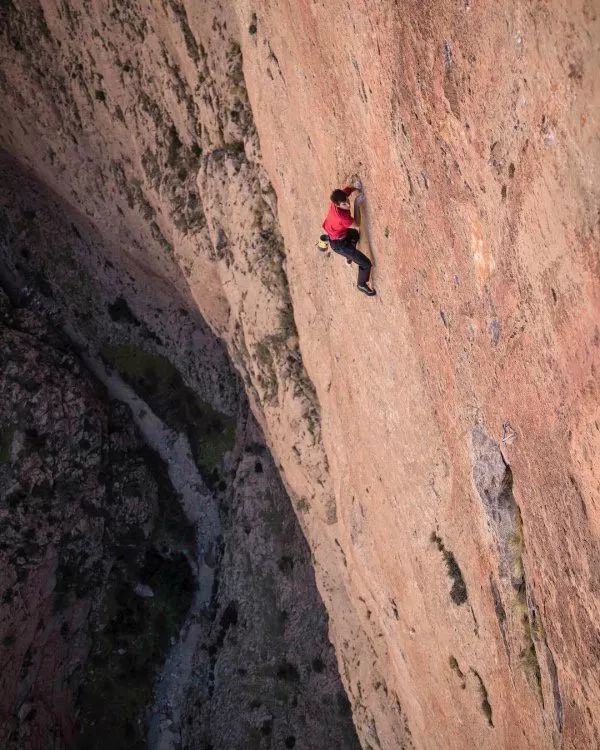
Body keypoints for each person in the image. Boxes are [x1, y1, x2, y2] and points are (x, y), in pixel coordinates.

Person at [322, 184, 376, 296]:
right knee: (366, 264)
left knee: (355, 235)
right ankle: (361, 284)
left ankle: (349, 257)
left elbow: (349, 189)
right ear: (337, 205)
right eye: (344, 204)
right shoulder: (342, 217)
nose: (347, 204)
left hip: (340, 235)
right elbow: (357, 223)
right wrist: (356, 204)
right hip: (339, 245)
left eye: (347, 201)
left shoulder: (339, 199)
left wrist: (356, 187)